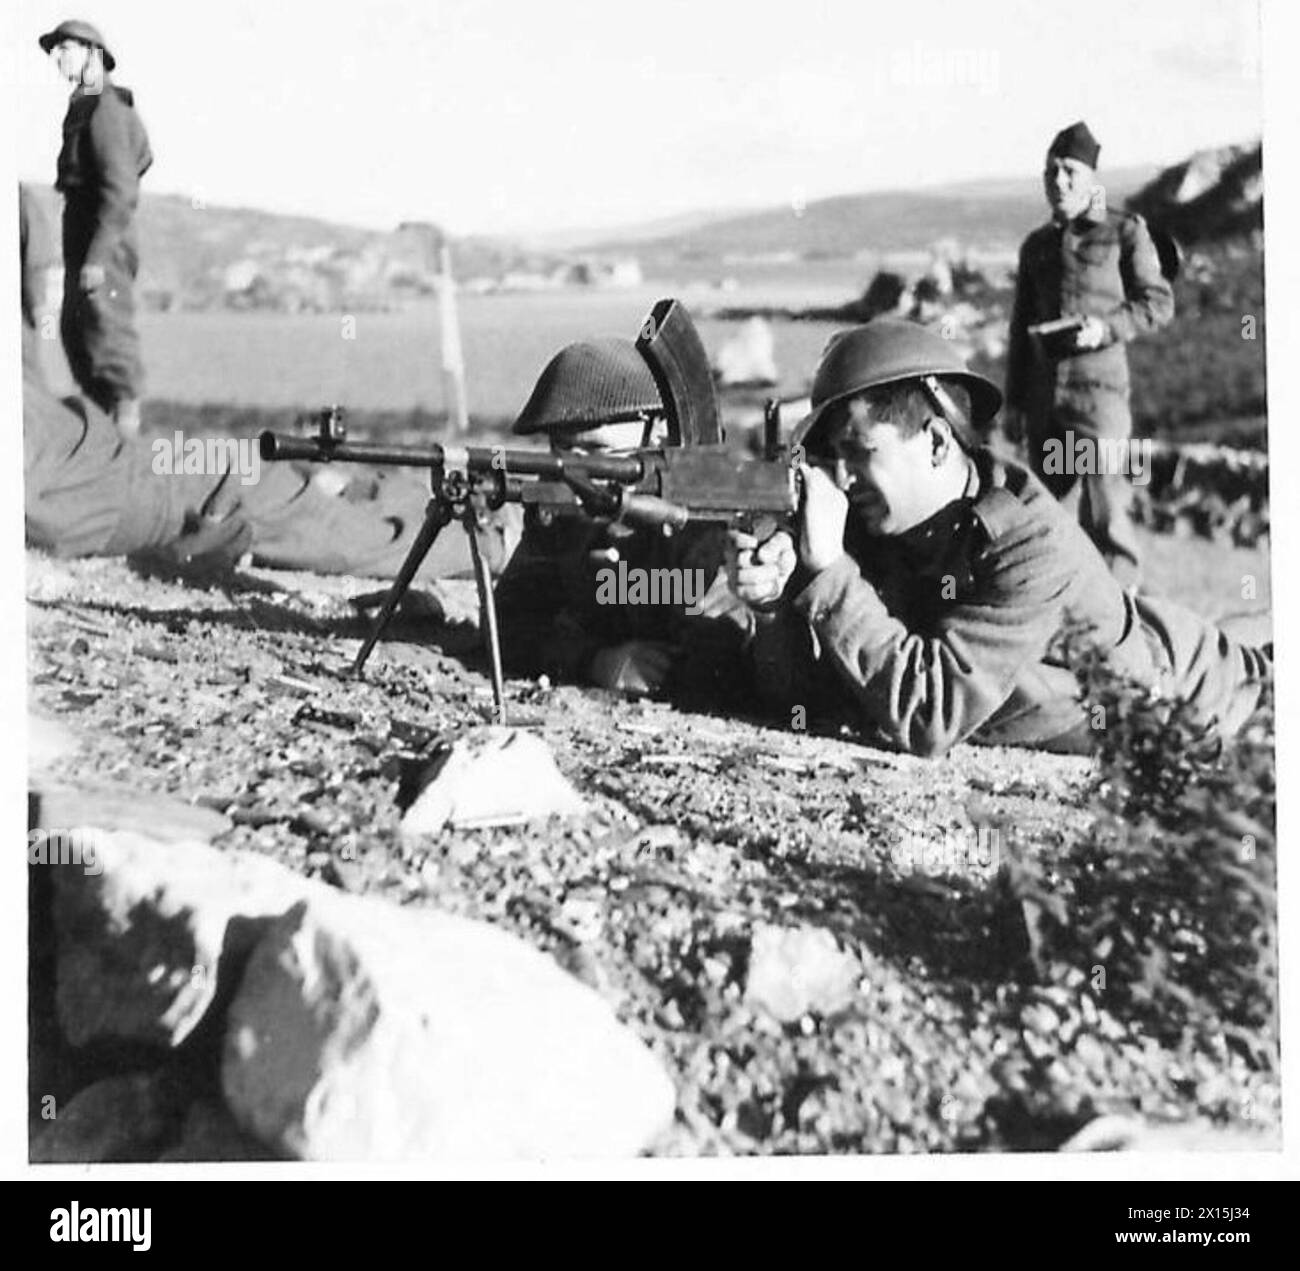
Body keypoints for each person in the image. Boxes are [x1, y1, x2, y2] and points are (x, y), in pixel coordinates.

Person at [725, 319, 1270, 758]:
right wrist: (777, 604)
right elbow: (811, 700)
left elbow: (928, 717)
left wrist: (830, 574)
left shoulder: (1031, 545)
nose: (841, 479)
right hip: (1137, 633)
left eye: (858, 451)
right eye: (831, 459)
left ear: (936, 442)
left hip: (1206, 696)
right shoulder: (882, 523)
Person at [493, 338, 751, 700]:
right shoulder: (562, 502)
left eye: (598, 453)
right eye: (562, 450)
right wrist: (594, 661)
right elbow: (509, 624)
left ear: (659, 429)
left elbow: (721, 654)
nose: (576, 472)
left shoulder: (707, 515)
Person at [1003, 121, 1174, 588]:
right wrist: (1015, 402)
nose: (1058, 182)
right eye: (1051, 172)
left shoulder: (1125, 231)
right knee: (1048, 522)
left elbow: (1156, 304)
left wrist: (1104, 328)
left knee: (1109, 518)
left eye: (1070, 172)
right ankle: (1065, 631)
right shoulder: (1036, 246)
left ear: (1092, 179)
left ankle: (1130, 627)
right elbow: (1020, 330)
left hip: (1099, 402)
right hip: (1044, 404)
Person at [40, 19, 153, 439]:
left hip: (100, 242)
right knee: (81, 339)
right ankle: (105, 449)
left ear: (91, 53)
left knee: (109, 344)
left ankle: (126, 452)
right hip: (84, 239)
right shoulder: (84, 104)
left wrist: (99, 257)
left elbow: (121, 187)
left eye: (64, 48)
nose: (57, 58)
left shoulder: (104, 107)